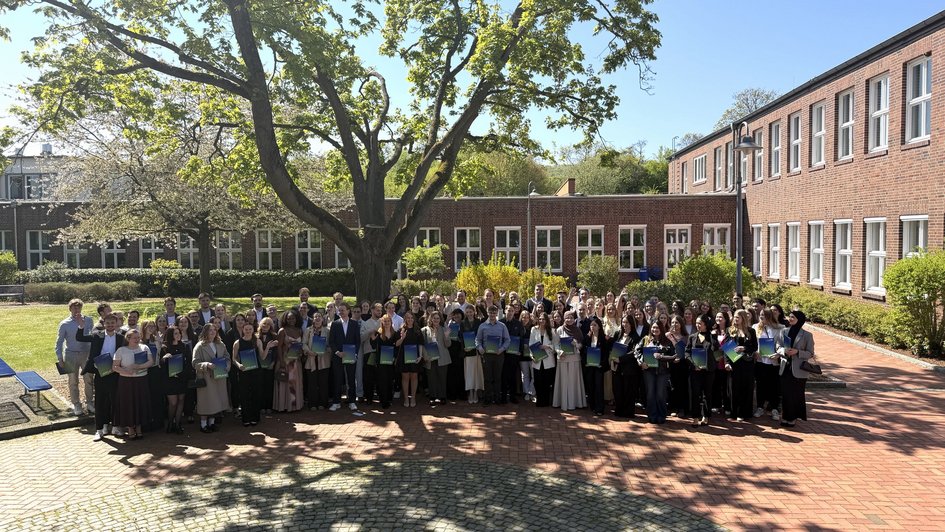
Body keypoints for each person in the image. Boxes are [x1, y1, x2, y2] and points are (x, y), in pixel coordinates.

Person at [77, 312, 125, 441]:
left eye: (112, 323)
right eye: (107, 323)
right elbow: (80, 338)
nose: (110, 325)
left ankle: (115, 426)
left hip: (115, 372)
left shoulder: (121, 337)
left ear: (117, 324)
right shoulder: (96, 336)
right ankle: (100, 429)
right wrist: (81, 326)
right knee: (100, 401)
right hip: (100, 372)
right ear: (104, 324)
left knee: (115, 400)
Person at [111, 329, 153, 440]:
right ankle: (130, 428)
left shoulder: (144, 348)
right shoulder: (121, 350)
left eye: (138, 337)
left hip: (141, 380)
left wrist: (137, 367)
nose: (137, 340)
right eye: (134, 338)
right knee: (128, 404)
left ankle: (139, 428)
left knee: (140, 403)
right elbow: (114, 367)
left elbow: (150, 362)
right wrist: (126, 371)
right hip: (126, 382)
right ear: (128, 338)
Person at [56, 298, 94, 416]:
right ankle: (76, 404)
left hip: (86, 354)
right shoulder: (64, 323)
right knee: (73, 380)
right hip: (71, 354)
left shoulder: (88, 320)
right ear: (70, 309)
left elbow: (92, 336)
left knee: (89, 379)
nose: (77, 309)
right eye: (74, 307)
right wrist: (60, 357)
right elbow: (59, 341)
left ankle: (90, 402)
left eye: (79, 307)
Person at [778, 310, 814, 428]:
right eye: (790, 317)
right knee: (786, 394)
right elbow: (777, 346)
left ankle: (792, 418)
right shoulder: (784, 331)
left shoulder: (807, 335)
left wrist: (797, 352)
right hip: (785, 367)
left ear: (800, 319)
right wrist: (783, 351)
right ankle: (785, 416)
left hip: (799, 370)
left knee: (796, 395)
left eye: (793, 317)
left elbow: (810, 353)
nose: (790, 319)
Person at [637, 322, 677, 424]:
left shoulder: (667, 341)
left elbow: (674, 356)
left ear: (662, 329)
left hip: (662, 372)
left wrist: (662, 357)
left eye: (657, 327)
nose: (655, 329)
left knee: (660, 394)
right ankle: (652, 415)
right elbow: (637, 351)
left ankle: (661, 415)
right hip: (648, 371)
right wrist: (641, 362)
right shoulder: (645, 340)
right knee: (650, 394)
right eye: (653, 327)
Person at [193, 324, 230, 433]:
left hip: (219, 377)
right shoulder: (199, 346)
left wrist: (227, 365)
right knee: (206, 402)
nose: (213, 332)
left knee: (216, 401)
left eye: (214, 330)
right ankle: (203, 424)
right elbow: (195, 363)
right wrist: (206, 364)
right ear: (205, 332)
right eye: (210, 330)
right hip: (206, 377)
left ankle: (212, 423)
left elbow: (227, 357)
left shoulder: (220, 344)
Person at [687, 314, 720, 427]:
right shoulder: (692, 337)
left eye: (700, 323)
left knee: (707, 394)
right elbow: (687, 352)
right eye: (696, 323)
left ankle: (706, 416)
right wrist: (693, 363)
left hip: (708, 370)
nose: (698, 325)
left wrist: (712, 337)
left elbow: (716, 351)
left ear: (706, 325)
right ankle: (695, 417)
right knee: (695, 393)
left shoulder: (712, 337)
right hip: (695, 370)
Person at [328, 303, 361, 412]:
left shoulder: (354, 324)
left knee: (351, 379)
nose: (341, 312)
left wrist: (355, 353)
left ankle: (352, 401)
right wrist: (337, 352)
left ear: (348, 311)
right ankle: (336, 402)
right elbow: (331, 341)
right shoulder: (335, 324)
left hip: (350, 355)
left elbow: (357, 341)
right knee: (337, 379)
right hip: (338, 356)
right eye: (339, 310)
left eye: (343, 310)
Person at [476, 305, 511, 406]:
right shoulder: (482, 326)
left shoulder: (502, 326)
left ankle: (497, 398)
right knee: (487, 378)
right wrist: (480, 348)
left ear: (496, 313)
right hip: (486, 355)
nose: (492, 315)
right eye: (490, 313)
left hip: (498, 354)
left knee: (497, 378)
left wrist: (501, 349)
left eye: (494, 313)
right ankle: (487, 398)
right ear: (487, 313)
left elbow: (507, 340)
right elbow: (477, 340)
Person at [552, 311, 586, 411]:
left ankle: (575, 403)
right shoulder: (559, 330)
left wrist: (576, 344)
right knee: (563, 381)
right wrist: (559, 351)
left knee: (573, 381)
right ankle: (562, 402)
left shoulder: (578, 330)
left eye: (571, 317)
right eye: (567, 318)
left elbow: (581, 345)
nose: (569, 320)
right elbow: (556, 344)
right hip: (563, 358)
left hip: (575, 359)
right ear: (564, 318)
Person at [753, 309, 784, 420]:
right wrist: (755, 352)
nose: (761, 317)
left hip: (773, 362)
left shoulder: (780, 328)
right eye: (760, 315)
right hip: (760, 361)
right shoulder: (755, 327)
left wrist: (778, 354)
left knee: (774, 386)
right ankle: (760, 407)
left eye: (764, 316)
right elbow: (753, 343)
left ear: (770, 316)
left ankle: (774, 409)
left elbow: (782, 344)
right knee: (761, 385)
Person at [729, 309, 759, 422]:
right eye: (735, 317)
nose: (736, 319)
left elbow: (755, 346)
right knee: (735, 388)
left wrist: (744, 348)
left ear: (743, 318)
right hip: (735, 362)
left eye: (738, 317)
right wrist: (728, 363)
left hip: (747, 364)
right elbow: (727, 348)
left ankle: (744, 412)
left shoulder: (751, 331)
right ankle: (734, 412)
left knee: (746, 388)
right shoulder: (731, 330)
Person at [233, 321, 264, 427]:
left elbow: (263, 357)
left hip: (256, 371)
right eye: (246, 329)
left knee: (256, 393)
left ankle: (255, 417)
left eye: (250, 329)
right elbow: (234, 358)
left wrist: (268, 346)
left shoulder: (257, 341)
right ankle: (246, 418)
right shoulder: (237, 342)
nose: (248, 331)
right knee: (244, 394)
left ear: (253, 330)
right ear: (243, 330)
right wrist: (238, 365)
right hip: (244, 372)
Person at [274, 309, 305, 413]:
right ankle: (285, 405)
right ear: (285, 319)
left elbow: (300, 345)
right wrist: (281, 361)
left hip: (296, 362)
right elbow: (278, 347)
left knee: (295, 383)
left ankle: (295, 405)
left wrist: (300, 352)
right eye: (289, 318)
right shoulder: (282, 331)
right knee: (285, 383)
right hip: (285, 361)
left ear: (296, 319)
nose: (291, 320)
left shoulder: (299, 330)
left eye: (293, 318)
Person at [612, 314, 642, 419]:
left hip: (630, 369)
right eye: (623, 322)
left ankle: (628, 412)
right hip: (617, 368)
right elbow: (612, 346)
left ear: (632, 324)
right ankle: (619, 410)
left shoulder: (636, 337)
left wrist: (621, 359)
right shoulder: (618, 334)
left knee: (629, 390)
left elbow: (634, 352)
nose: (625, 325)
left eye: (627, 323)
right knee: (618, 389)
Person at [160, 326, 189, 434]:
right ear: (171, 335)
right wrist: (164, 359)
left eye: (179, 333)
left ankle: (177, 424)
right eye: (175, 333)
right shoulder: (164, 348)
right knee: (173, 403)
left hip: (181, 378)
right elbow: (161, 364)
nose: (178, 335)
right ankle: (170, 422)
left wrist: (182, 374)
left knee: (181, 400)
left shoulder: (184, 346)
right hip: (170, 380)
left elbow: (188, 362)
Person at [422, 310, 452, 405]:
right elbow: (422, 345)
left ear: (440, 319)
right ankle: (433, 397)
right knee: (431, 378)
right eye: (434, 318)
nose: (436, 320)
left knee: (442, 378)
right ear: (430, 319)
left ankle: (442, 396)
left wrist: (447, 336)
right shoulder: (424, 330)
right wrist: (425, 356)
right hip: (430, 358)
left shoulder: (444, 329)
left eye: (438, 318)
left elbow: (448, 345)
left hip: (442, 357)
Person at [529, 313, 559, 407]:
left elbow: (556, 346)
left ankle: (546, 401)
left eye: (543, 319)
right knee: (537, 381)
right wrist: (532, 356)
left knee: (546, 382)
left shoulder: (553, 331)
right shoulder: (534, 329)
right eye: (540, 319)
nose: (542, 321)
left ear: (547, 321)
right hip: (537, 359)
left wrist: (547, 346)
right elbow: (531, 344)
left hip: (548, 360)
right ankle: (539, 400)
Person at [302, 313, 330, 410]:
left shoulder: (327, 331)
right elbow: (303, 343)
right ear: (313, 319)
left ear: (322, 319)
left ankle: (323, 403)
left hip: (323, 360)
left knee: (323, 383)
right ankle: (312, 404)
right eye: (315, 317)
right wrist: (309, 351)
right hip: (311, 359)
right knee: (312, 383)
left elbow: (330, 345)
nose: (317, 318)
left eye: (319, 317)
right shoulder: (308, 330)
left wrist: (324, 349)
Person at [395, 311, 424, 407]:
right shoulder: (401, 330)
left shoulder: (417, 330)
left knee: (414, 377)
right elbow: (397, 344)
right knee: (405, 377)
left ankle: (413, 397)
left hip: (415, 356)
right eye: (408, 318)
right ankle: (406, 398)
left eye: (412, 318)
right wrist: (402, 338)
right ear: (405, 319)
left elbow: (420, 344)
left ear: (414, 319)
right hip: (404, 357)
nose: (410, 320)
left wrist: (420, 356)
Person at [583, 320, 610, 416]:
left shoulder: (604, 338)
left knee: (599, 386)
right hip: (589, 366)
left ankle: (600, 408)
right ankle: (593, 406)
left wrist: (602, 364)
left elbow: (606, 353)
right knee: (590, 386)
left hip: (599, 367)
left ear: (599, 327)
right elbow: (584, 351)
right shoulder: (587, 338)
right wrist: (585, 362)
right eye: (591, 325)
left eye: (595, 325)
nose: (592, 327)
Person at [666, 315, 690, 418]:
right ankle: (673, 407)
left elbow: (686, 351)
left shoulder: (686, 337)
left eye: (677, 323)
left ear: (681, 324)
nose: (674, 325)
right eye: (672, 323)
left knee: (682, 387)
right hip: (671, 364)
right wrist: (672, 358)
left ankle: (682, 409)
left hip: (682, 365)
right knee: (672, 387)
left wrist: (680, 358)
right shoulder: (667, 336)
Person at [374, 314, 398, 409]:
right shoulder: (378, 334)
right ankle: (383, 400)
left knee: (390, 380)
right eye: (385, 321)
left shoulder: (395, 333)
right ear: (382, 323)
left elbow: (397, 347)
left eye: (388, 321)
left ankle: (389, 398)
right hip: (381, 361)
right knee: (382, 381)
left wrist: (394, 357)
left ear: (391, 322)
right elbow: (374, 347)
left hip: (391, 361)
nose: (387, 323)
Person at [462, 305, 484, 403]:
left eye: (471, 312)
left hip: (476, 352)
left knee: (476, 373)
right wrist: (464, 348)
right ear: (465, 313)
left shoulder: (478, 322)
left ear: (474, 312)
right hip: (468, 352)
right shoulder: (463, 323)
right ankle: (470, 392)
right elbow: (461, 337)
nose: (469, 314)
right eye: (467, 312)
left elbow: (481, 336)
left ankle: (476, 392)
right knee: (469, 374)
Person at [517, 310, 536, 402]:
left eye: (527, 317)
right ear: (521, 317)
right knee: (525, 375)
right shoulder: (518, 327)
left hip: (532, 355)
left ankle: (532, 392)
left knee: (534, 375)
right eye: (523, 317)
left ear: (529, 318)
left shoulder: (533, 328)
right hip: (521, 355)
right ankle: (527, 392)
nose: (525, 319)